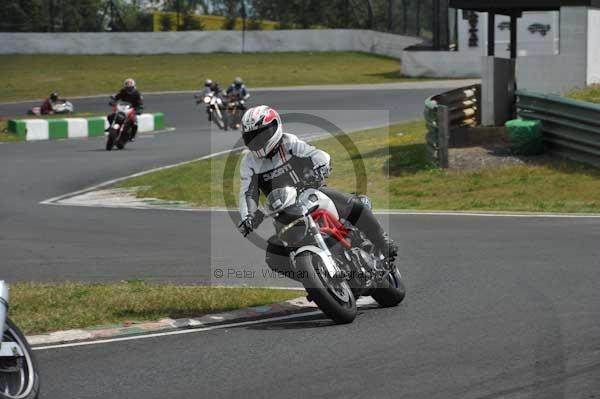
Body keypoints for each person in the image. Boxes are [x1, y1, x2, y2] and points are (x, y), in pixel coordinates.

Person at [237, 105, 398, 280]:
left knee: (354, 204)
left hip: (310, 191)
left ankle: (383, 241)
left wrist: (321, 166)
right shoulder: (249, 162)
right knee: (273, 255)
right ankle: (314, 279)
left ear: (275, 126)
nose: (258, 141)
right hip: (283, 211)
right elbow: (248, 192)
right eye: (252, 137)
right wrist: (248, 217)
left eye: (262, 134)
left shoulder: (288, 142)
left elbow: (315, 154)